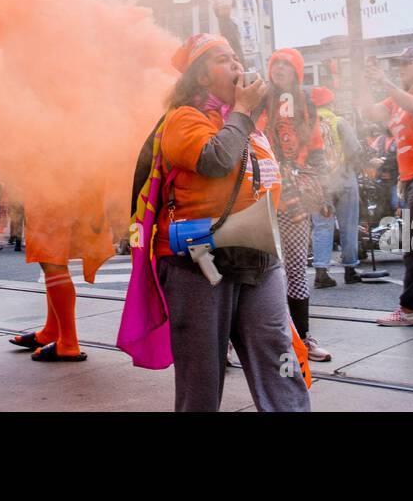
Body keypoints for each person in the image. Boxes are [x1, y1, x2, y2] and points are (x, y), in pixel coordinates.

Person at [116, 33, 311, 410]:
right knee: (201, 377)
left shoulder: (246, 124)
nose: (237, 65)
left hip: (259, 258)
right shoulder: (182, 119)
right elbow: (215, 161)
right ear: (201, 78)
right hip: (200, 265)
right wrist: (241, 112)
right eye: (224, 59)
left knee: (278, 361)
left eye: (237, 57)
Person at [257, 47, 331, 362]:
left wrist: (320, 191)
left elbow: (316, 150)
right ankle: (246, 339)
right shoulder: (260, 98)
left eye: (287, 64)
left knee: (296, 268)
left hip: (294, 198)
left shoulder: (307, 106)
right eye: (276, 64)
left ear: (297, 71)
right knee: (257, 268)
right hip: (260, 194)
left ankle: (302, 337)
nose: (280, 69)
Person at [367, 46, 413, 328]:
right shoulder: (396, 99)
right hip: (412, 177)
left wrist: (383, 81)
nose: (401, 69)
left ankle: (409, 309)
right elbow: (372, 113)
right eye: (398, 64)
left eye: (406, 63)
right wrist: (361, 84)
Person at [308, 87, 363, 289]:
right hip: (344, 179)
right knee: (349, 224)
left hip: (318, 183)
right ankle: (350, 269)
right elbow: (355, 149)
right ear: (330, 103)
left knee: (322, 225)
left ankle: (321, 273)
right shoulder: (339, 122)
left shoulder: (307, 125)